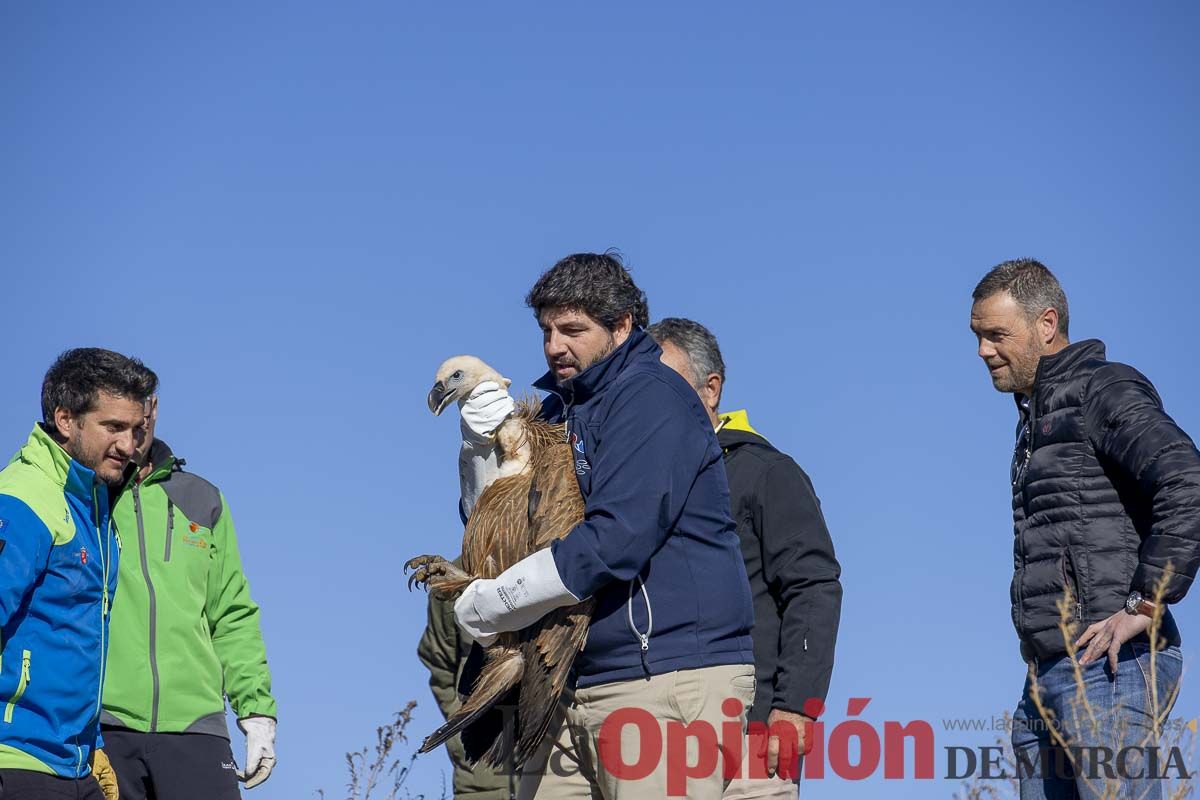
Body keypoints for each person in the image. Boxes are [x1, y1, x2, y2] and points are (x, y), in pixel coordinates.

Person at [450, 252, 756, 799]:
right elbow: (494, 523)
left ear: (621, 326)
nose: (553, 346)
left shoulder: (654, 397)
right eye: (546, 329)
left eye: (573, 330)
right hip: (566, 682)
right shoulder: (555, 412)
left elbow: (619, 538)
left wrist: (501, 599)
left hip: (665, 676)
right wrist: (478, 452)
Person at [970, 259, 1200, 798]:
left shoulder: (1101, 389)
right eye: (978, 337)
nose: (983, 351)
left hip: (1111, 670)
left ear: (1046, 324)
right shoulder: (1036, 417)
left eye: (996, 335)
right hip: (1046, 676)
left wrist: (1145, 603)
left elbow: (1187, 479)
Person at [649, 318, 841, 798]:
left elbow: (813, 587)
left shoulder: (768, 473)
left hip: (754, 735)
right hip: (653, 737)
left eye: (664, 384)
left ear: (710, 388)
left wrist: (796, 705)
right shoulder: (635, 484)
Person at [0, 347, 157, 799]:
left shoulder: (94, 510)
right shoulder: (26, 499)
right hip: (16, 759)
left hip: (74, 761)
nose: (128, 445)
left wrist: (94, 747)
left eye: (135, 429)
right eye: (113, 427)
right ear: (65, 420)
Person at [100, 397, 278, 798]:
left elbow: (232, 612)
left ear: (155, 408)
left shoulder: (202, 499)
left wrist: (257, 711)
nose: (137, 427)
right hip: (105, 724)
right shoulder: (89, 497)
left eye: (144, 413)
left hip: (197, 726)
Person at [418, 586, 516, 800]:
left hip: (548, 757)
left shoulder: (548, 561)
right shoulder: (453, 578)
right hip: (479, 771)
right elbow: (439, 662)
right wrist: (463, 720)